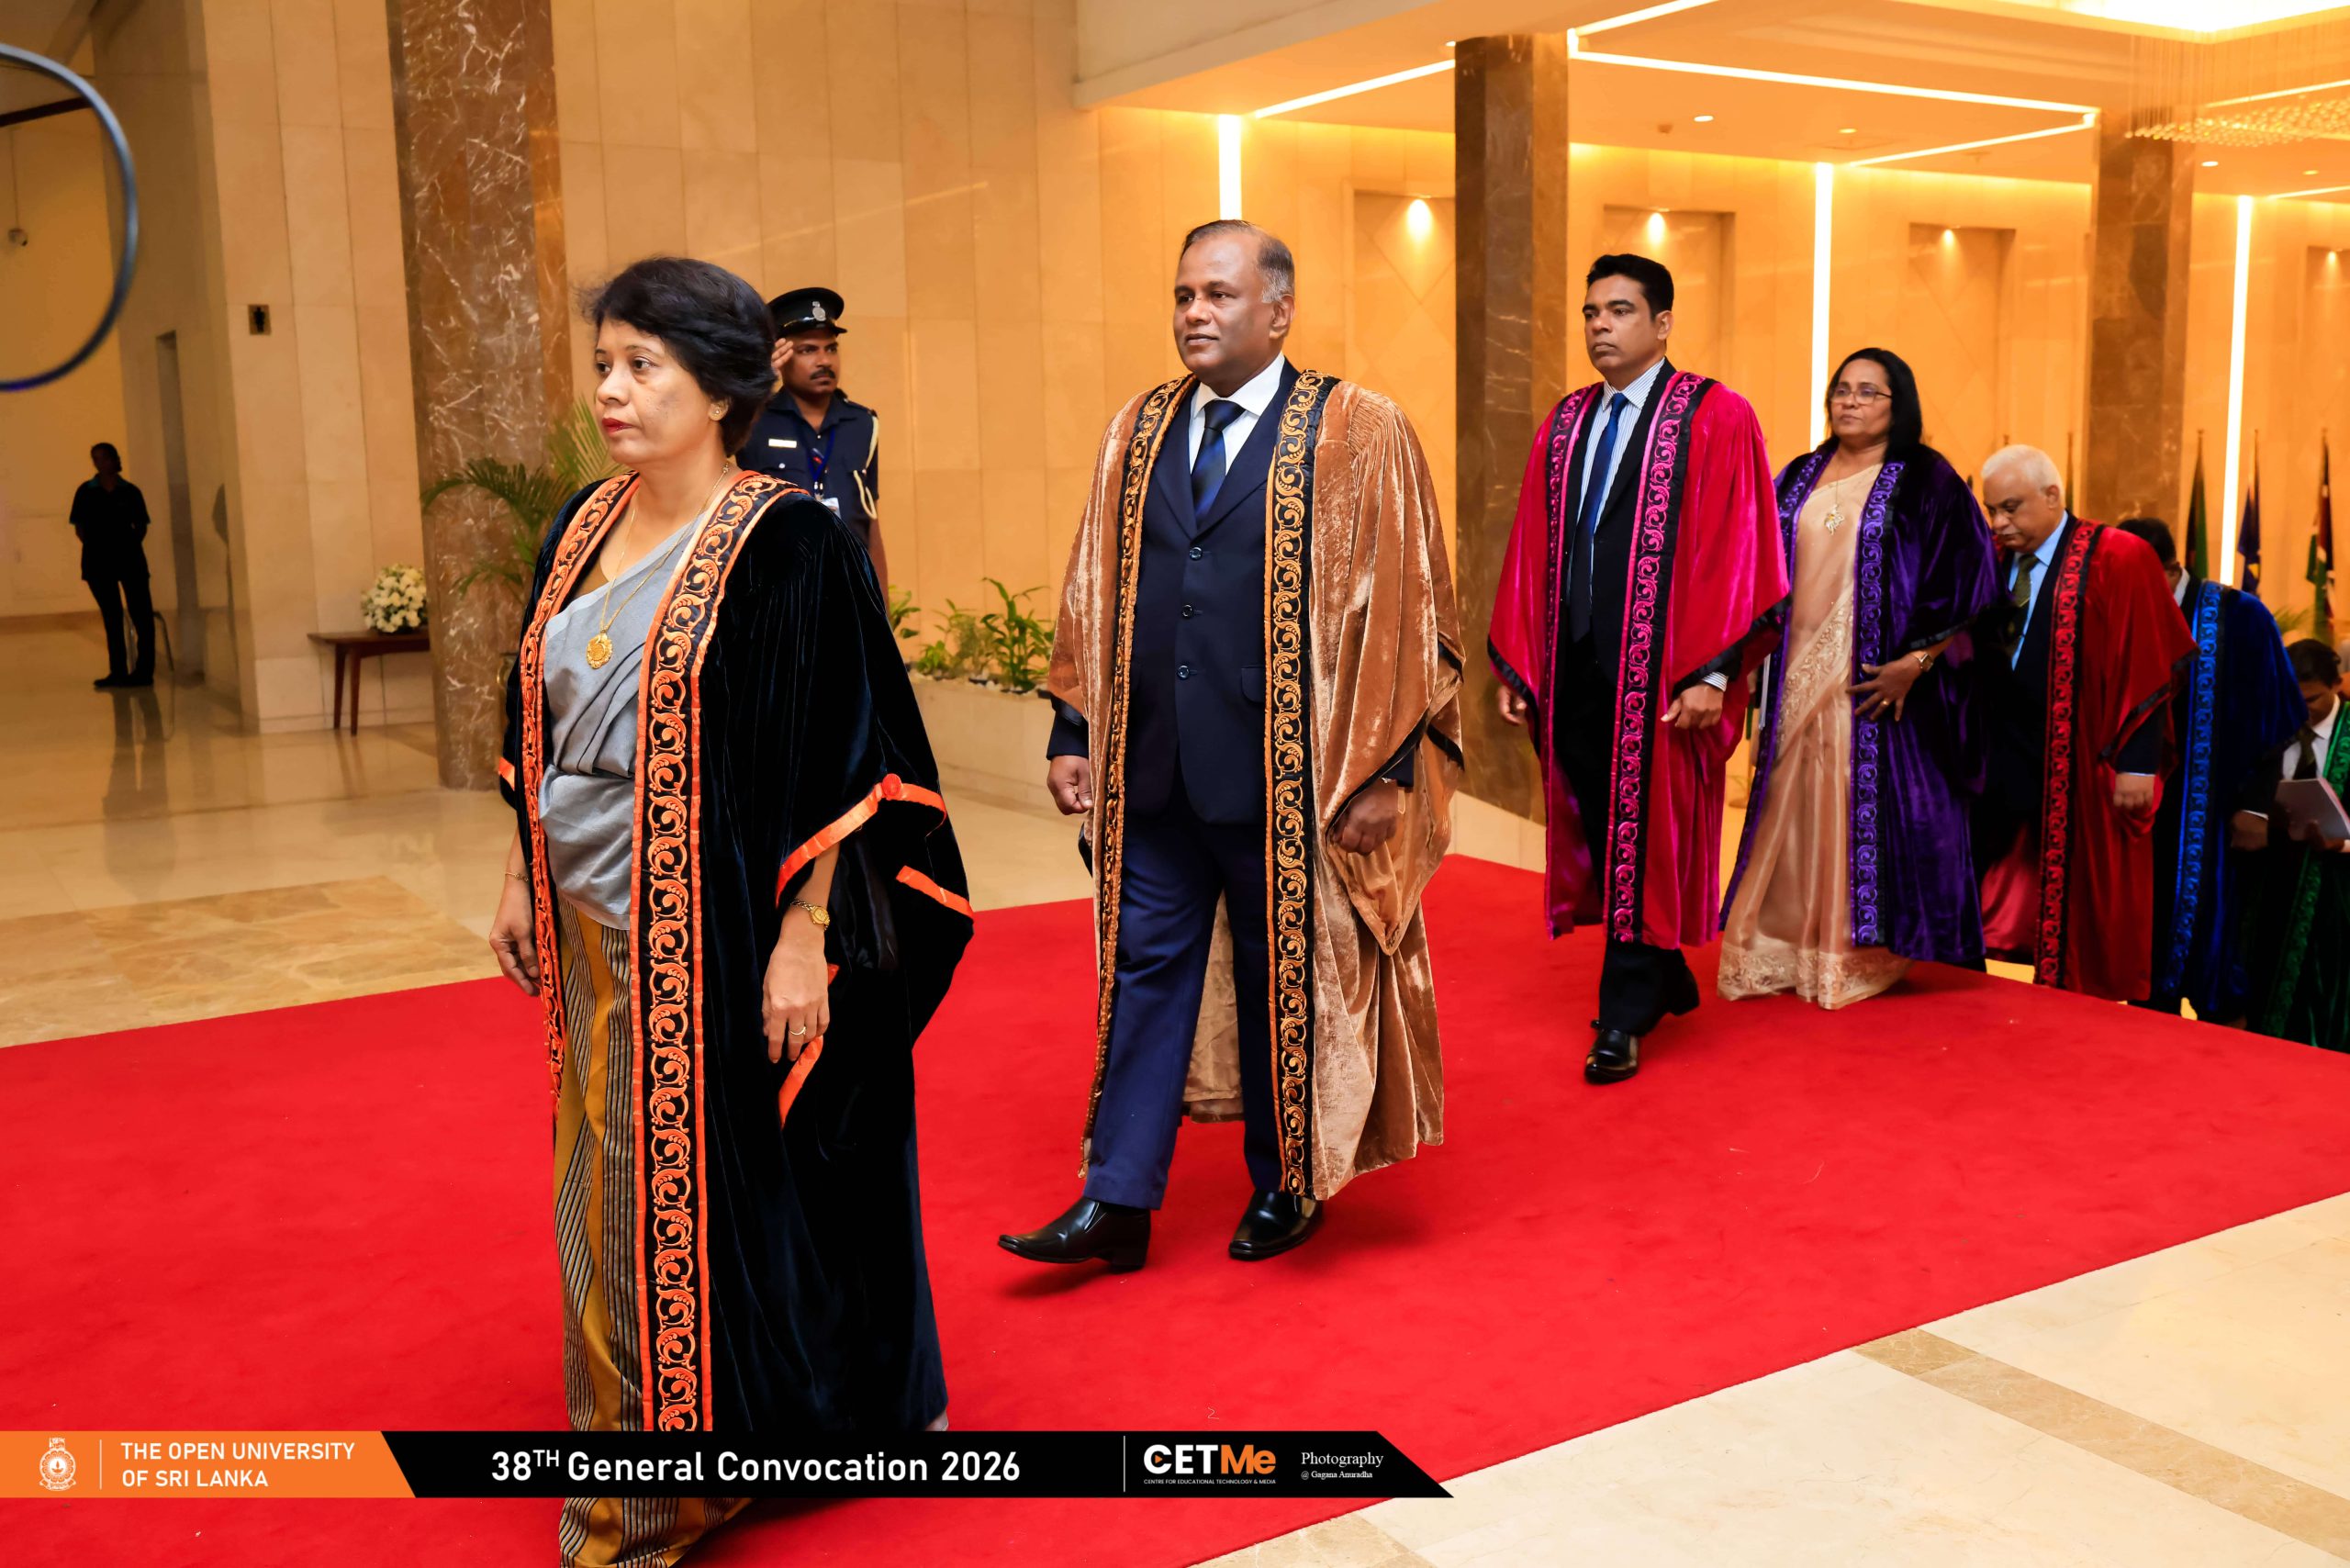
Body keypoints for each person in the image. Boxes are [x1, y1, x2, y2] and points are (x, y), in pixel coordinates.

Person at [486, 257, 971, 1567]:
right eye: (604, 364)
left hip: (715, 929)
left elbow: (846, 753)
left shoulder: (787, 540)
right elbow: (534, 716)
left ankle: (651, 1497)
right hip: (590, 922)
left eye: (642, 366)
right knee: (606, 1187)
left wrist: (804, 937)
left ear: (718, 391)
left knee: (684, 1196)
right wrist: (522, 870)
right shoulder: (580, 525)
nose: (610, 391)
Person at [999, 219, 1461, 1272]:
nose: (1194, 314)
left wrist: (1386, 771)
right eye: (1182, 296)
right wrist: (1074, 728)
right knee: (1142, 973)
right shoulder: (1139, 428)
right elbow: (1093, 582)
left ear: (1279, 310)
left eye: (1217, 294)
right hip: (1153, 772)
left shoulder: (1355, 429)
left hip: (1290, 782)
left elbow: (1407, 608)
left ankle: (1286, 1180)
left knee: (1277, 981)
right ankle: (1116, 1200)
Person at [1488, 253, 1785, 1082]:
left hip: (1661, 672)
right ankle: (1663, 969)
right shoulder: (1567, 421)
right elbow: (1533, 542)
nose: (1599, 326)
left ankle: (1621, 1014)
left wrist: (1713, 671)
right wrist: (1522, 665)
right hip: (1576, 664)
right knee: (1599, 815)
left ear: (1662, 323)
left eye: (1619, 311)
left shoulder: (1715, 415)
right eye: (1591, 312)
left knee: (1643, 827)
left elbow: (1739, 545)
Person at [1719, 349, 1998, 1009]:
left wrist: (1916, 663)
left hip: (1874, 686)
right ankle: (1780, 945)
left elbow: (1972, 581)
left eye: (1869, 392)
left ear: (1899, 406)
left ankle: (1854, 952)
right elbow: (1756, 566)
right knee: (1788, 804)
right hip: (1792, 674)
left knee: (1850, 801)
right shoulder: (1798, 475)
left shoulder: (1928, 480)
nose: (1850, 401)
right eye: (1842, 389)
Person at [1970, 446, 2194, 1002]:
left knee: (2081, 904)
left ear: (2053, 496)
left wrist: (2138, 765)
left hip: (2080, 753)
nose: (1999, 523)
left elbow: (2147, 661)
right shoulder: (1990, 558)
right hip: (1999, 753)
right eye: (1992, 510)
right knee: (1983, 889)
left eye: (2011, 508)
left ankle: (2078, 1012)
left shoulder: (2118, 556)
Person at [2111, 518, 2303, 1021]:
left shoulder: (2241, 616)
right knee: (2145, 960)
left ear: (2168, 568)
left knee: (2218, 957)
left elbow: (2275, 716)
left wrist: (2255, 808)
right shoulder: (2118, 614)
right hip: (2135, 819)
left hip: (2216, 816)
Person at [735, 286, 888, 590]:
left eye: (831, 349)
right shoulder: (754, 421)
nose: (824, 361)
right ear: (781, 356)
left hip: (849, 591)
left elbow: (870, 520)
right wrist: (757, 384)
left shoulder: (863, 423)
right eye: (808, 350)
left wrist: (881, 608)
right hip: (780, 591)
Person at [2241, 639, 2348, 1050]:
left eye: (2312, 700)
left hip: (2335, 889)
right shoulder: (2272, 723)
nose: (2301, 711)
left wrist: (2341, 843)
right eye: (2291, 698)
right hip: (2272, 880)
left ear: (2337, 684)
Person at [71, 442, 157, 689]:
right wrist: (97, 546)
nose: (100, 463)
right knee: (112, 616)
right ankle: (117, 671)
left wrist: (127, 545)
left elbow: (141, 526)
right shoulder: (86, 491)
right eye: (95, 458)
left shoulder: (130, 491)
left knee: (141, 615)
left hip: (130, 559)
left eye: (104, 457)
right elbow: (79, 527)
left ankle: (144, 671)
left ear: (114, 459)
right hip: (98, 562)